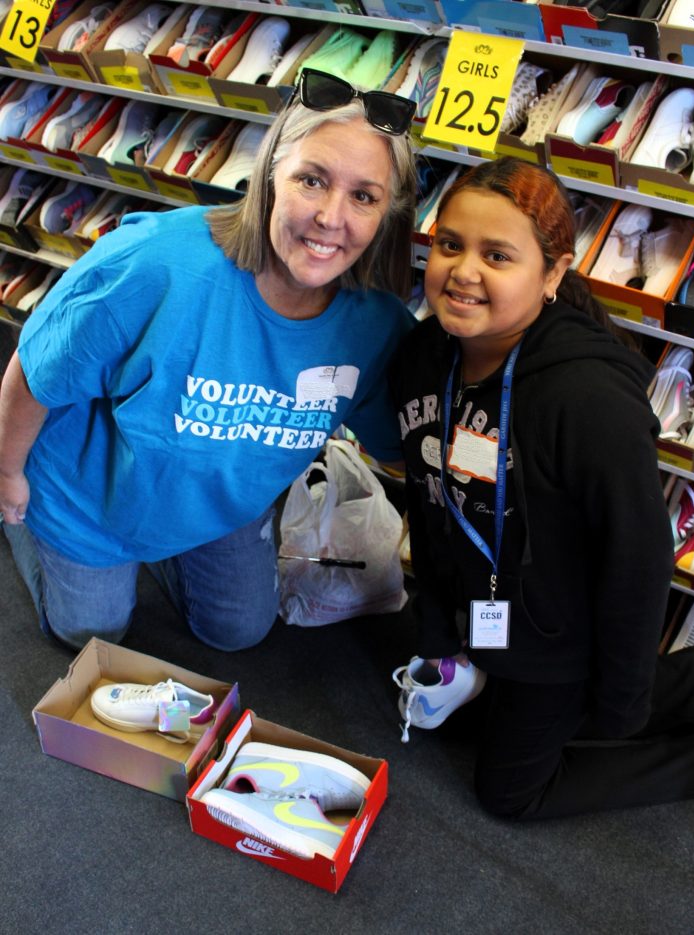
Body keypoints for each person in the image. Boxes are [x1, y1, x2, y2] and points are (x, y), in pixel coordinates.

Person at [0, 69, 417, 652]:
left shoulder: (376, 326)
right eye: (312, 180)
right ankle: (22, 514)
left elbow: (409, 444)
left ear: (387, 212)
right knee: (91, 633)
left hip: (221, 508)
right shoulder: (156, 265)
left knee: (238, 631)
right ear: (271, 174)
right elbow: (36, 367)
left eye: (364, 196)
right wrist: (8, 474)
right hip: (86, 499)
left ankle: (164, 543)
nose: (331, 218)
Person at [391, 156, 694, 820]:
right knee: (488, 725)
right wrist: (439, 628)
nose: (464, 271)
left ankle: (657, 701)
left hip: (561, 636)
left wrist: (621, 701)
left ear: (552, 273)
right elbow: (428, 500)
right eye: (450, 244)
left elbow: (636, 561)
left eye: (496, 255)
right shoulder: (421, 356)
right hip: (489, 618)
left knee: (509, 794)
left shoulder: (586, 398)